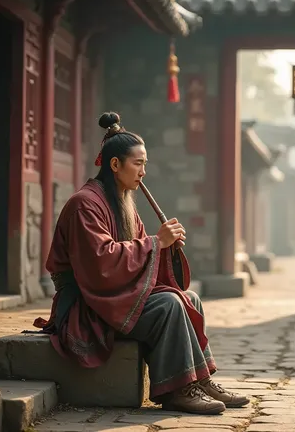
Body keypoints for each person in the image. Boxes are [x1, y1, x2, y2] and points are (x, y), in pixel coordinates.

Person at [32, 112, 249, 415]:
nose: (143, 172)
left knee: (190, 299)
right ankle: (177, 390)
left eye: (145, 164)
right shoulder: (84, 204)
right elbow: (100, 263)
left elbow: (135, 255)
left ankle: (200, 379)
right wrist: (155, 243)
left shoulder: (122, 202)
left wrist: (165, 248)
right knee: (169, 305)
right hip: (88, 304)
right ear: (115, 165)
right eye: (138, 163)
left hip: (112, 295)